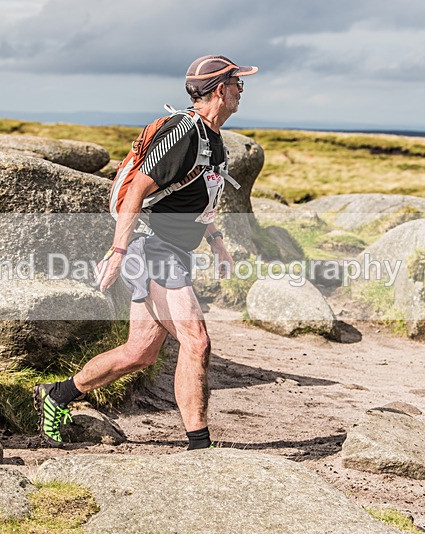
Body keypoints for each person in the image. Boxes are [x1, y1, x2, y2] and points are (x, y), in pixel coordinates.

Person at [34, 54, 258, 450]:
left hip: (172, 251)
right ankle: (200, 446)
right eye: (239, 83)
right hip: (150, 246)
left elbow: (197, 199)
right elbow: (136, 190)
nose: (244, 90)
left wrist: (217, 242)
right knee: (196, 340)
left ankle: (58, 394)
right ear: (221, 90)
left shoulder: (213, 138)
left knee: (139, 353)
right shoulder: (183, 133)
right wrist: (119, 250)